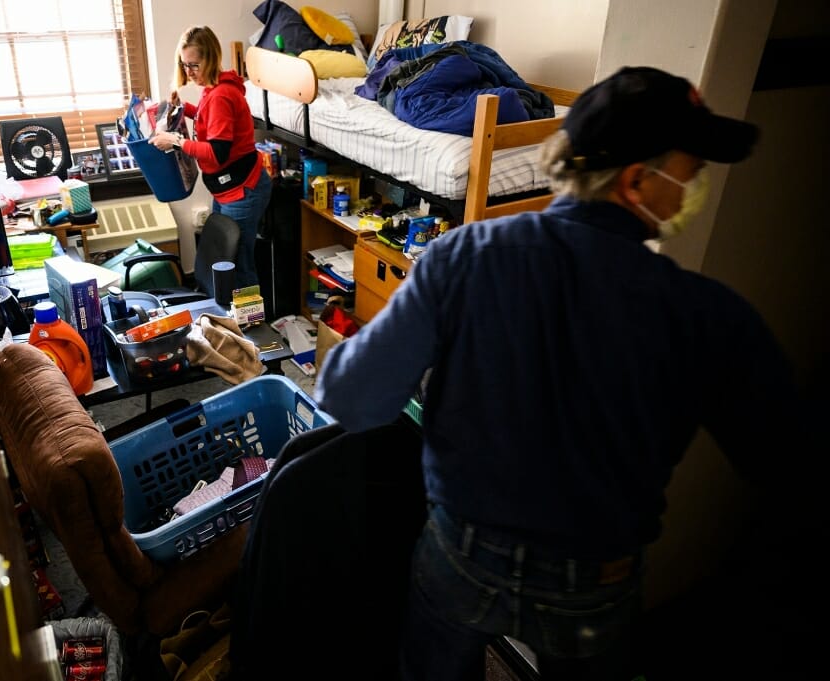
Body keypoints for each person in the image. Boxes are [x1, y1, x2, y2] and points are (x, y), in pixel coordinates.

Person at [313, 66, 806, 680]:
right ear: (635, 181)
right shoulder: (705, 316)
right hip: (594, 577)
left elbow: (352, 399)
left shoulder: (463, 258)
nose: (694, 186)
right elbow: (790, 464)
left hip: (462, 549)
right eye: (691, 170)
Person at [151, 26, 271, 289]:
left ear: (211, 58)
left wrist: (175, 140)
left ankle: (250, 324)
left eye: (194, 65)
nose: (189, 72)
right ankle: (233, 319)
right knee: (226, 261)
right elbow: (209, 119)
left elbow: (217, 153)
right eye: (184, 65)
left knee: (238, 266)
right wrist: (183, 109)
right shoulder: (213, 88)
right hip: (229, 188)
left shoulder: (221, 95)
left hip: (242, 190)